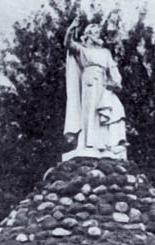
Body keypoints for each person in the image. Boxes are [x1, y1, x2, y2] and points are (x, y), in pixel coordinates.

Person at [63, 16, 127, 158]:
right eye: (95, 32)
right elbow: (68, 43)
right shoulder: (83, 50)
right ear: (88, 35)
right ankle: (88, 144)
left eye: (98, 32)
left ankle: (105, 144)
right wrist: (72, 28)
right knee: (90, 110)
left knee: (111, 110)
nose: (97, 35)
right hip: (89, 81)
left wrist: (116, 82)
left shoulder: (105, 52)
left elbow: (113, 70)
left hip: (104, 84)